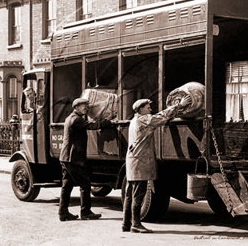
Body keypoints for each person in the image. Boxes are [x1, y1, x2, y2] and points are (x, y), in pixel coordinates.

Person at [122, 96, 192, 233]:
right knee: (138, 195)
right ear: (141, 109)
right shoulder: (144, 120)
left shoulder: (135, 120)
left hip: (133, 160)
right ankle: (135, 225)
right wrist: (179, 105)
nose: (150, 109)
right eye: (148, 107)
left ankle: (126, 224)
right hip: (140, 161)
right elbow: (161, 117)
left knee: (129, 194)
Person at [58, 98, 111, 221]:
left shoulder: (70, 117)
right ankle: (85, 212)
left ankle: (63, 212)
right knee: (85, 184)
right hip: (73, 158)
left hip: (67, 157)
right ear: (76, 107)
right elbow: (92, 126)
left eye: (87, 106)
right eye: (83, 106)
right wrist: (105, 122)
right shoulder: (76, 120)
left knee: (67, 185)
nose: (86, 108)